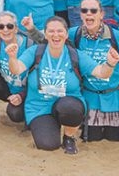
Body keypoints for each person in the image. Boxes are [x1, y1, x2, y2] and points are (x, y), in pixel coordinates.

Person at [7, 16, 92, 154]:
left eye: (60, 31)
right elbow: (16, 69)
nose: (56, 35)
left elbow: (101, 72)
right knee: (48, 145)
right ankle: (52, 125)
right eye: (51, 31)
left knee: (70, 107)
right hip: (39, 105)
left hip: (66, 101)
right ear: (45, 34)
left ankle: (69, 137)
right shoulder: (36, 51)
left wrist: (110, 63)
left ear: (66, 33)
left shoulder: (74, 55)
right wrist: (12, 57)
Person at [69, 0, 119, 142]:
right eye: (84, 10)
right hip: (90, 98)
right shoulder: (74, 34)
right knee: (92, 138)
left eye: (93, 10)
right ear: (80, 14)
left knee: (115, 138)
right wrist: (32, 30)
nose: (89, 14)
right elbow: (52, 42)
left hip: (113, 97)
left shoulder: (117, 37)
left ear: (101, 14)